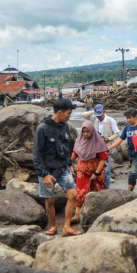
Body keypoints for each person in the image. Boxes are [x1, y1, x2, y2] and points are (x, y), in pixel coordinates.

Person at [33, 98, 80, 236]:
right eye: (68, 113)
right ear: (60, 112)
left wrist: (70, 163)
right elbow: (37, 153)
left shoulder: (65, 127)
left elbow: (66, 147)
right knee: (50, 201)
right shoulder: (42, 128)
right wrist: (44, 174)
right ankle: (53, 225)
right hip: (47, 171)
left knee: (73, 195)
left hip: (63, 168)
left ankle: (66, 226)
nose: (69, 116)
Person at [70, 121, 108, 225]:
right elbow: (75, 153)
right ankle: (77, 215)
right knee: (80, 192)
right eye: (84, 132)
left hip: (95, 173)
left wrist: (96, 173)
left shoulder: (98, 142)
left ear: (92, 131)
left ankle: (97, 215)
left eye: (88, 132)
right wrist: (69, 164)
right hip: (82, 173)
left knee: (96, 192)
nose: (86, 134)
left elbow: (103, 159)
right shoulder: (79, 141)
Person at [108, 108, 137, 191]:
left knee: (132, 174)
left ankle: (128, 193)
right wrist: (109, 148)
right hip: (131, 155)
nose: (128, 120)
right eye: (127, 118)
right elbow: (120, 139)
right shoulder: (127, 128)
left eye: (130, 118)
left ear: (135, 117)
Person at [83, 103, 120, 188]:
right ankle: (98, 187)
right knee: (97, 168)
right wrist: (95, 111)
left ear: (104, 112)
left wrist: (108, 139)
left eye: (100, 115)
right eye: (97, 115)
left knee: (106, 170)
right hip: (96, 148)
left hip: (107, 148)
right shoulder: (94, 119)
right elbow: (84, 115)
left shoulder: (111, 120)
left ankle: (106, 187)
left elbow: (117, 133)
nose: (98, 117)